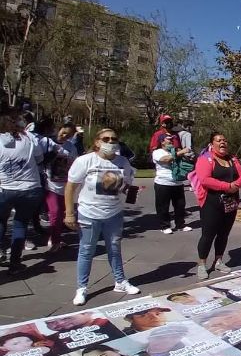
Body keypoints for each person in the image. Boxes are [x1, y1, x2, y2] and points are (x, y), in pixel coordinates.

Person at [65, 128, 140, 306]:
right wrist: (69, 214)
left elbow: (125, 185)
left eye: (114, 139)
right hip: (89, 213)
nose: (110, 142)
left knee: (114, 248)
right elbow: (70, 187)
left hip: (114, 214)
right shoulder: (85, 160)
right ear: (97, 142)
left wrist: (130, 192)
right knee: (86, 250)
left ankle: (120, 281)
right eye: (106, 139)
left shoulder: (122, 162)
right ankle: (82, 287)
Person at [194, 132, 241, 280]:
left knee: (224, 234)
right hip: (211, 203)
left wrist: (235, 185)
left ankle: (218, 260)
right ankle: (202, 264)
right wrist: (227, 186)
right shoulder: (205, 159)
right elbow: (205, 180)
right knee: (208, 235)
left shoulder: (232, 159)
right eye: (219, 140)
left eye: (224, 140)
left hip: (230, 202)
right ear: (212, 144)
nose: (223, 142)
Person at [0, 106, 45, 275]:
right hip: (29, 189)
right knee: (20, 224)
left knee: (1, 221)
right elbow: (39, 158)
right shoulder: (29, 138)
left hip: (5, 189)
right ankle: (15, 263)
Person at [43, 126, 79, 253]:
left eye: (68, 135)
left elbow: (75, 164)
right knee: (55, 213)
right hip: (50, 185)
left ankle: (55, 237)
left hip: (65, 186)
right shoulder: (47, 142)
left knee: (62, 214)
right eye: (63, 133)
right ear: (58, 130)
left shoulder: (71, 147)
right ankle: (55, 241)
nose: (64, 136)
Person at [152, 135, 192, 234]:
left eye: (172, 139)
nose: (171, 141)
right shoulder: (157, 152)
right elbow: (166, 159)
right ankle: (165, 226)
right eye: (168, 139)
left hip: (177, 183)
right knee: (163, 206)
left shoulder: (176, 151)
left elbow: (187, 161)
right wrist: (180, 153)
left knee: (180, 205)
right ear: (162, 142)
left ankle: (180, 224)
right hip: (163, 183)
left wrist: (186, 155)